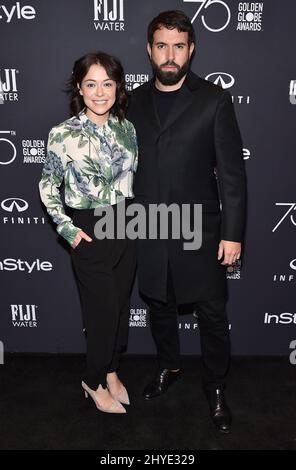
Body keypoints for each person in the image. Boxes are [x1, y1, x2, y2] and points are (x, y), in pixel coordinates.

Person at [127, 10, 246, 433]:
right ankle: (170, 367)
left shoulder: (214, 99)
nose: (170, 54)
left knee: (212, 314)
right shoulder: (132, 102)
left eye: (179, 45)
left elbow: (231, 174)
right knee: (158, 305)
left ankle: (215, 386)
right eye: (162, 45)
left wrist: (233, 235)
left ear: (191, 49)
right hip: (151, 227)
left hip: (203, 230)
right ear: (149, 50)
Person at [39, 52, 138, 414]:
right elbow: (48, 186)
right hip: (89, 229)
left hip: (126, 224)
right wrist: (69, 230)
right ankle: (92, 379)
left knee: (121, 307)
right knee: (102, 312)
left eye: (107, 84)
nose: (100, 92)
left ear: (118, 87)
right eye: (91, 84)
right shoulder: (62, 133)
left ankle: (111, 370)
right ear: (79, 88)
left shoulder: (127, 128)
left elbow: (131, 179)